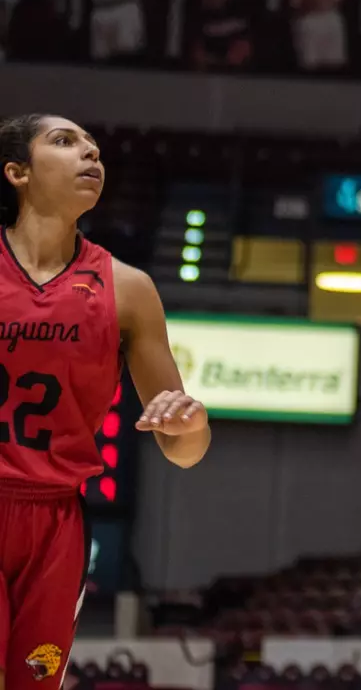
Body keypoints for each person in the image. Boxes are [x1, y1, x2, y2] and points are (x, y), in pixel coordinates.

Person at [0, 113, 211, 690]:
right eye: (65, 143)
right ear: (16, 172)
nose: (90, 156)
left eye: (95, 149)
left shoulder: (128, 289)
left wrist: (190, 423)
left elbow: (182, 451)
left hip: (57, 521)